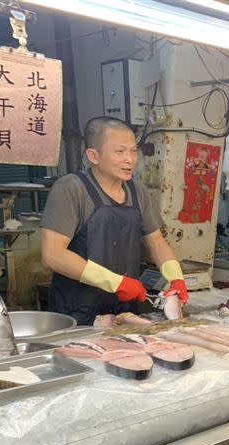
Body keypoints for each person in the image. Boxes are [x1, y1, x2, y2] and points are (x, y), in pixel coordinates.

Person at [41, 117, 189, 325]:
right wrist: (115, 282)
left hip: (125, 312)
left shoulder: (138, 192)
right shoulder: (70, 189)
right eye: (120, 152)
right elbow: (52, 254)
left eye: (132, 151)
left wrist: (175, 277)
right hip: (77, 313)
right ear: (93, 155)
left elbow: (156, 241)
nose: (130, 159)